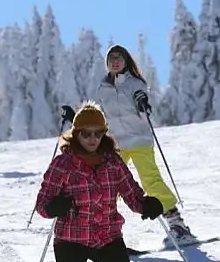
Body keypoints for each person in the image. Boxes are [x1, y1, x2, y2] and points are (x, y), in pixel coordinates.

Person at [33, 102, 176, 262]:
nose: (92, 139)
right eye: (85, 133)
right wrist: (54, 207)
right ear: (76, 133)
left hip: (107, 237)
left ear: (104, 133)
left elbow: (132, 194)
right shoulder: (63, 164)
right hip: (71, 239)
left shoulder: (113, 162)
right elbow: (42, 204)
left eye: (97, 133)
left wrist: (147, 205)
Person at [60, 44, 195, 245]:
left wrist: (142, 102)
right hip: (115, 145)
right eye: (111, 59)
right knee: (106, 187)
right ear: (107, 64)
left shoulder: (135, 84)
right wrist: (76, 118)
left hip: (139, 140)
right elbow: (99, 117)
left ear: (125, 62)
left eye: (119, 58)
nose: (115, 62)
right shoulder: (102, 89)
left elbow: (142, 102)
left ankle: (177, 225)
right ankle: (105, 233)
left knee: (150, 181)